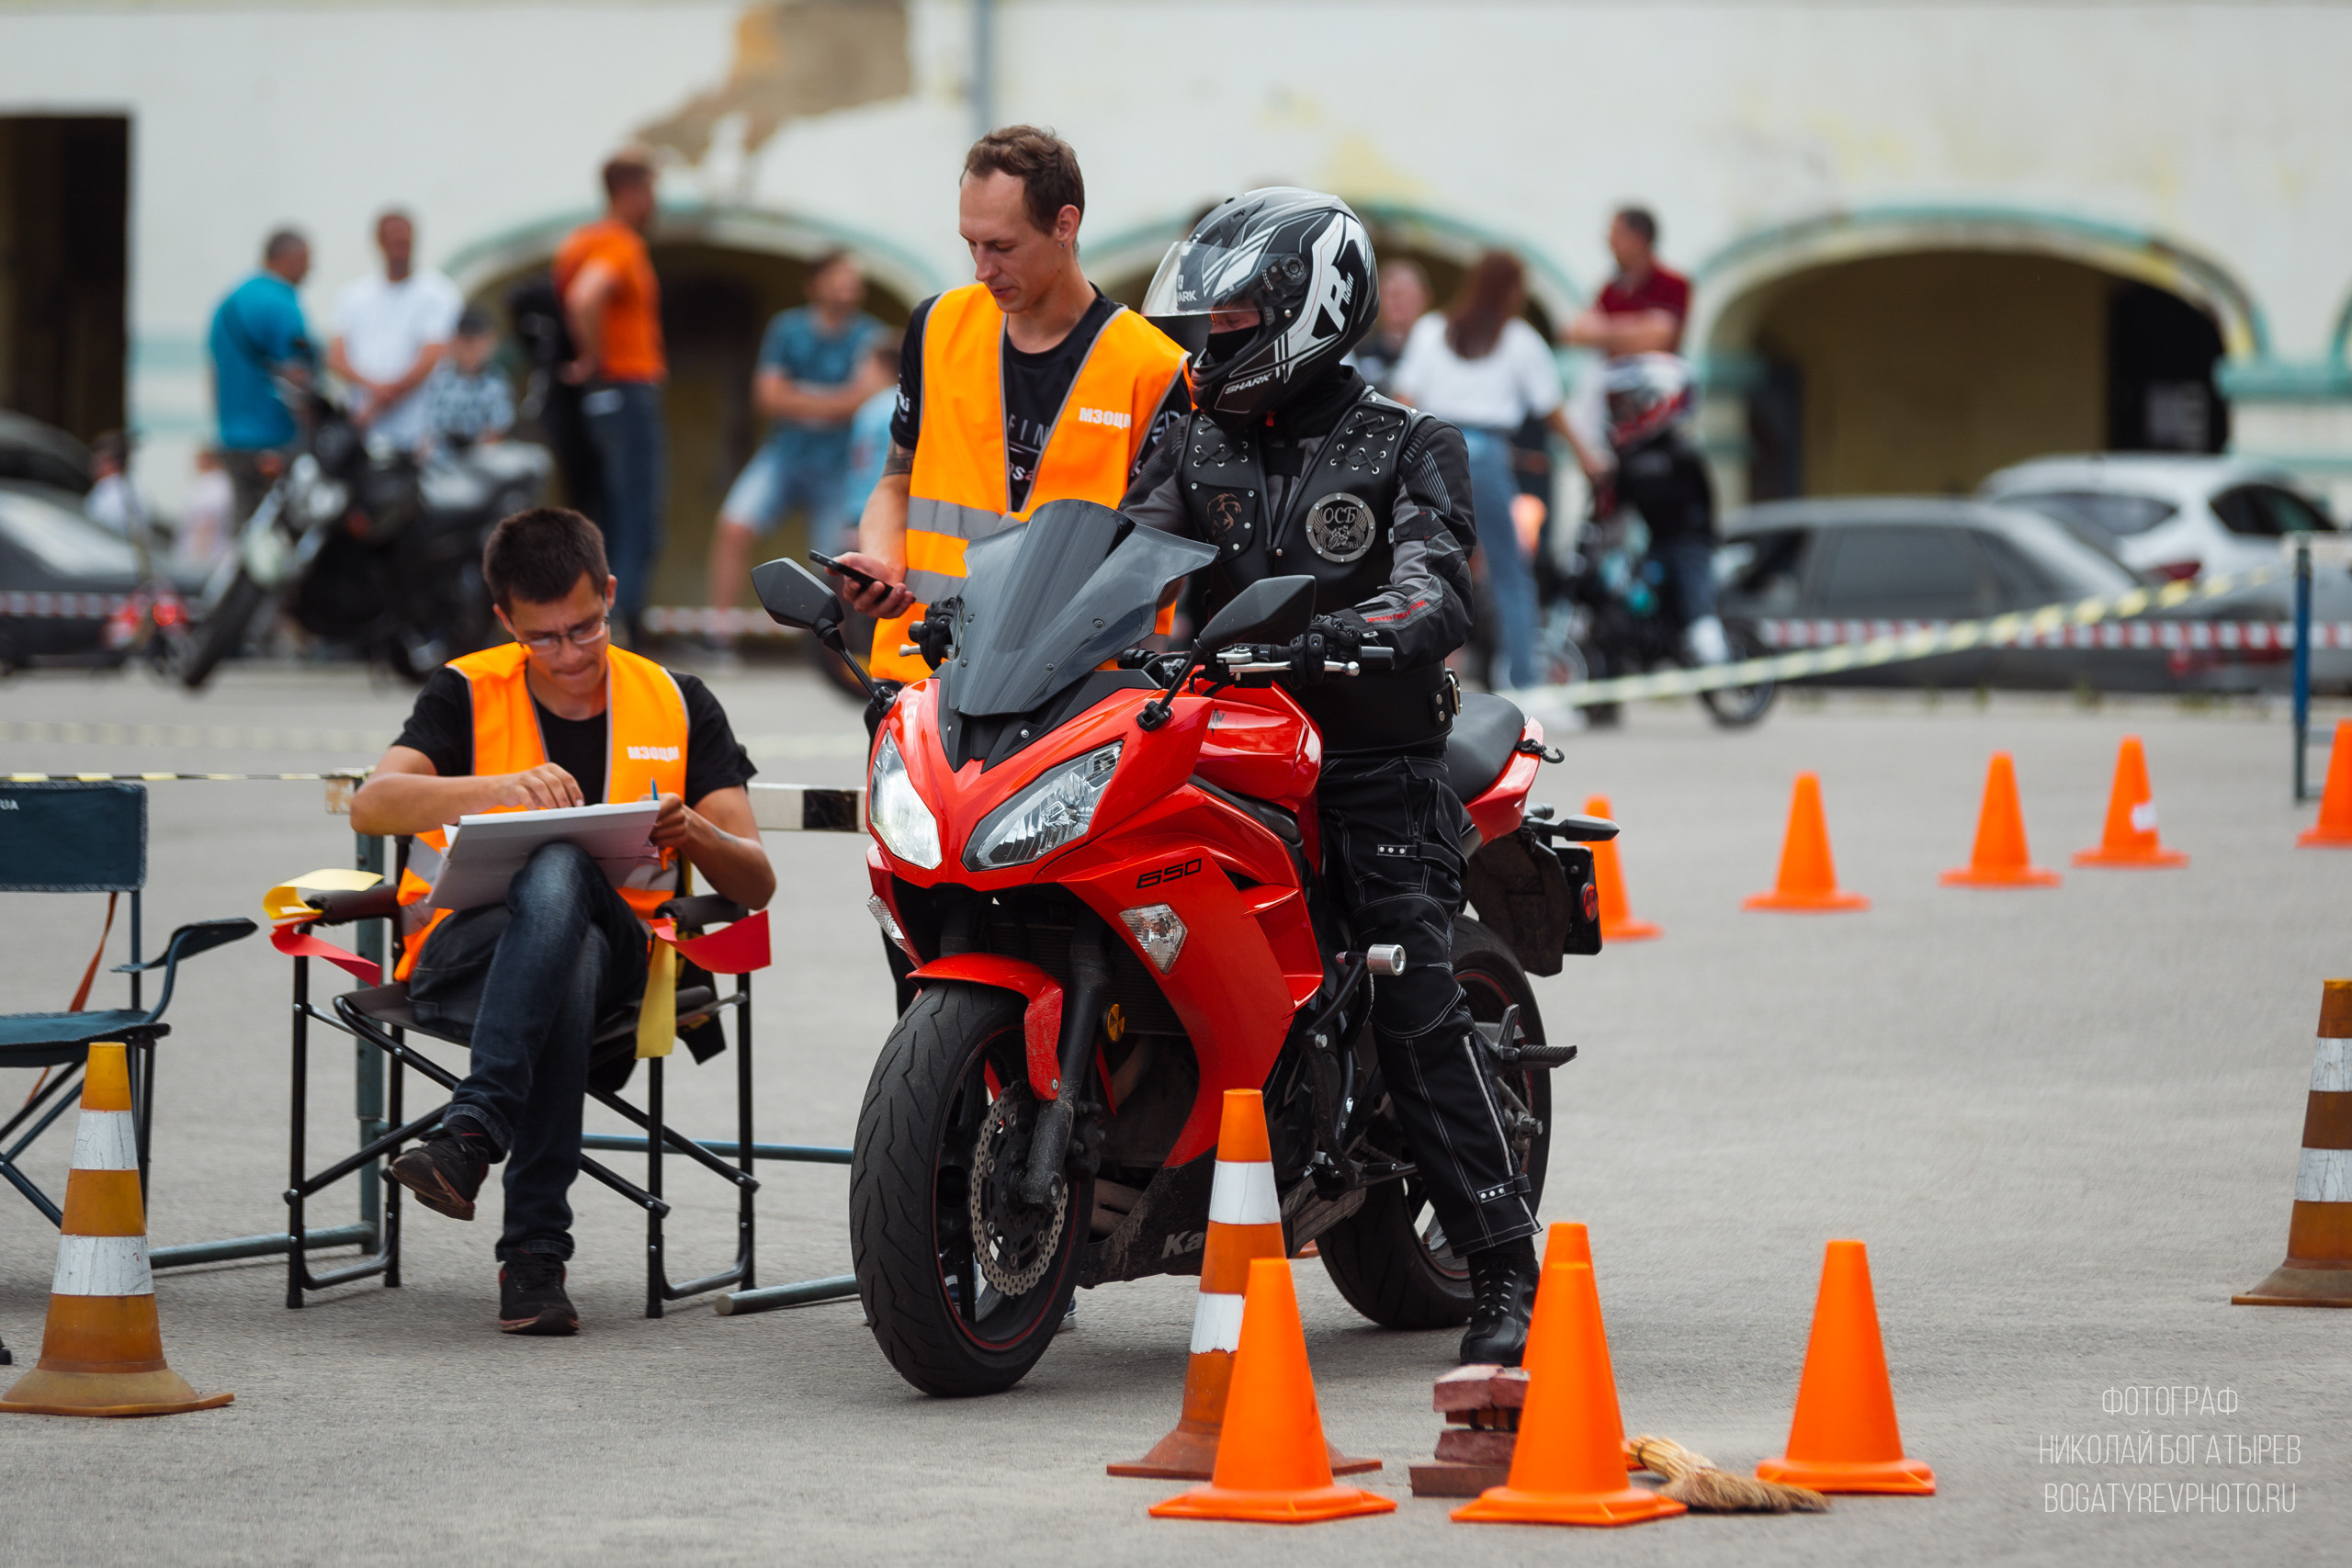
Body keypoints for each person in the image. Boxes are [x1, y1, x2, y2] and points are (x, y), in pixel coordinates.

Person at [1125, 187, 1544, 1366]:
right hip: (1222, 743)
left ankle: (1503, 1267)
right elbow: (1118, 555)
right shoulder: (1190, 435)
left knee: (1407, 987)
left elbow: (1435, 581)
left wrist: (1354, 633)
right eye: (1205, 323)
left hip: (1368, 756)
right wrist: (980, 617)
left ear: (1308, 314)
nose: (1210, 342)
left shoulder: (1409, 442)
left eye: (1233, 321)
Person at [353, 507, 772, 1335]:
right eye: (542, 637)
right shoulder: (466, 689)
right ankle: (534, 1256)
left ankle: (474, 1133)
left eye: (585, 627)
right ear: (504, 619)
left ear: (610, 593)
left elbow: (755, 882)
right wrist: (495, 789)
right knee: (564, 947)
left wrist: (695, 830)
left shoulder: (678, 700)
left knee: (564, 881)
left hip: (630, 966)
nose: (571, 653)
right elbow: (374, 803)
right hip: (464, 961)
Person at [830, 125, 1188, 681]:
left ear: (1064, 225)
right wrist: (881, 563)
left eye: (1001, 246)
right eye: (971, 244)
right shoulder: (936, 327)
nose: (982, 268)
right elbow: (897, 481)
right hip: (919, 677)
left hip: (1073, 691)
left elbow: (1162, 559)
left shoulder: (1156, 369)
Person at [1390, 251, 1585, 692]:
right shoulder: (1519, 339)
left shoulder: (1432, 329)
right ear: (1510, 290)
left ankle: (1420, 682)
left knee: (1425, 569)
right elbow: (1551, 409)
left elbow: (1404, 400)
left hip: (1433, 452)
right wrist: (1587, 458)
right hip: (1488, 455)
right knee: (1509, 572)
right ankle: (1525, 680)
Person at [704, 251, 888, 639]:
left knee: (836, 564)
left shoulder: (870, 336)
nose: (850, 287)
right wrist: (838, 403)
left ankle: (827, 650)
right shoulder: (788, 329)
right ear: (815, 284)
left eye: (854, 280)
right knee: (733, 527)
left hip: (838, 468)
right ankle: (718, 637)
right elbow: (767, 398)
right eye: (840, 278)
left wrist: (797, 398)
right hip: (783, 457)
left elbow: (866, 398)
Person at [554, 154, 668, 637]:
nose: (655, 202)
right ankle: (620, 623)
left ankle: (595, 617)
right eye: (651, 191)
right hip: (626, 387)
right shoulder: (619, 243)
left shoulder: (576, 242)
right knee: (635, 513)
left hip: (598, 399)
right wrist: (593, 357)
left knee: (603, 509)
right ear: (631, 192)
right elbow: (586, 296)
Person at [1600, 353, 1728, 665]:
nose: (1621, 415)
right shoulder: (1631, 458)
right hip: (1656, 544)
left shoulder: (1679, 453)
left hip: (1689, 544)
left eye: (1629, 405)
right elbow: (1614, 506)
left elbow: (1703, 501)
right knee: (1634, 596)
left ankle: (1715, 657)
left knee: (1699, 618)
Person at [207, 228, 314, 528]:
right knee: (278, 531)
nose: (310, 269)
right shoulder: (282, 303)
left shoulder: (229, 303)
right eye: (306, 261)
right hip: (275, 437)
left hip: (232, 439)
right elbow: (297, 374)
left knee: (243, 527)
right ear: (288, 258)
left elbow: (213, 373)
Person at [329, 210, 463, 449]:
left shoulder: (439, 292)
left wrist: (376, 404)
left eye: (405, 242)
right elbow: (336, 358)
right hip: (365, 432)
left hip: (420, 432)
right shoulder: (352, 295)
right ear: (379, 243)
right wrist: (373, 390)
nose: (401, 248)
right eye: (395, 242)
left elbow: (431, 357)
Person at [1563, 206, 1690, 357]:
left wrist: (1602, 330)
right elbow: (1574, 332)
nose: (1611, 243)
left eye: (1617, 235)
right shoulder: (1611, 288)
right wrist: (1639, 329)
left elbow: (1659, 338)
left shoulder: (1673, 284)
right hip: (1613, 371)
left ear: (1638, 239)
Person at [835, 333, 903, 551]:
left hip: (868, 513)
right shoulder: (903, 405)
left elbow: (867, 471)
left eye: (863, 366)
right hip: (889, 514)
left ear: (881, 368)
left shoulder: (874, 410)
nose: (857, 374)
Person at [417, 307, 516, 451]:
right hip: (445, 455)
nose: (468, 349)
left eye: (474, 342)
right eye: (464, 341)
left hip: (482, 454)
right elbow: (430, 431)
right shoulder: (440, 380)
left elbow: (499, 430)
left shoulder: (496, 381)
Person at [1348, 257, 1430, 393]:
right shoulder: (1357, 346)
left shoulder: (1436, 350)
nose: (1395, 302)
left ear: (1424, 297)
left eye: (1402, 294)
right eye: (1387, 294)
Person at [83, 431, 152, 558]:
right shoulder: (136, 490)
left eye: (96, 459)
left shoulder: (105, 494)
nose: (92, 465)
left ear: (109, 461)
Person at [174, 446, 235, 574]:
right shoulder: (214, 482)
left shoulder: (214, 484)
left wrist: (198, 560)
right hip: (208, 558)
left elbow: (206, 524)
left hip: (206, 560)